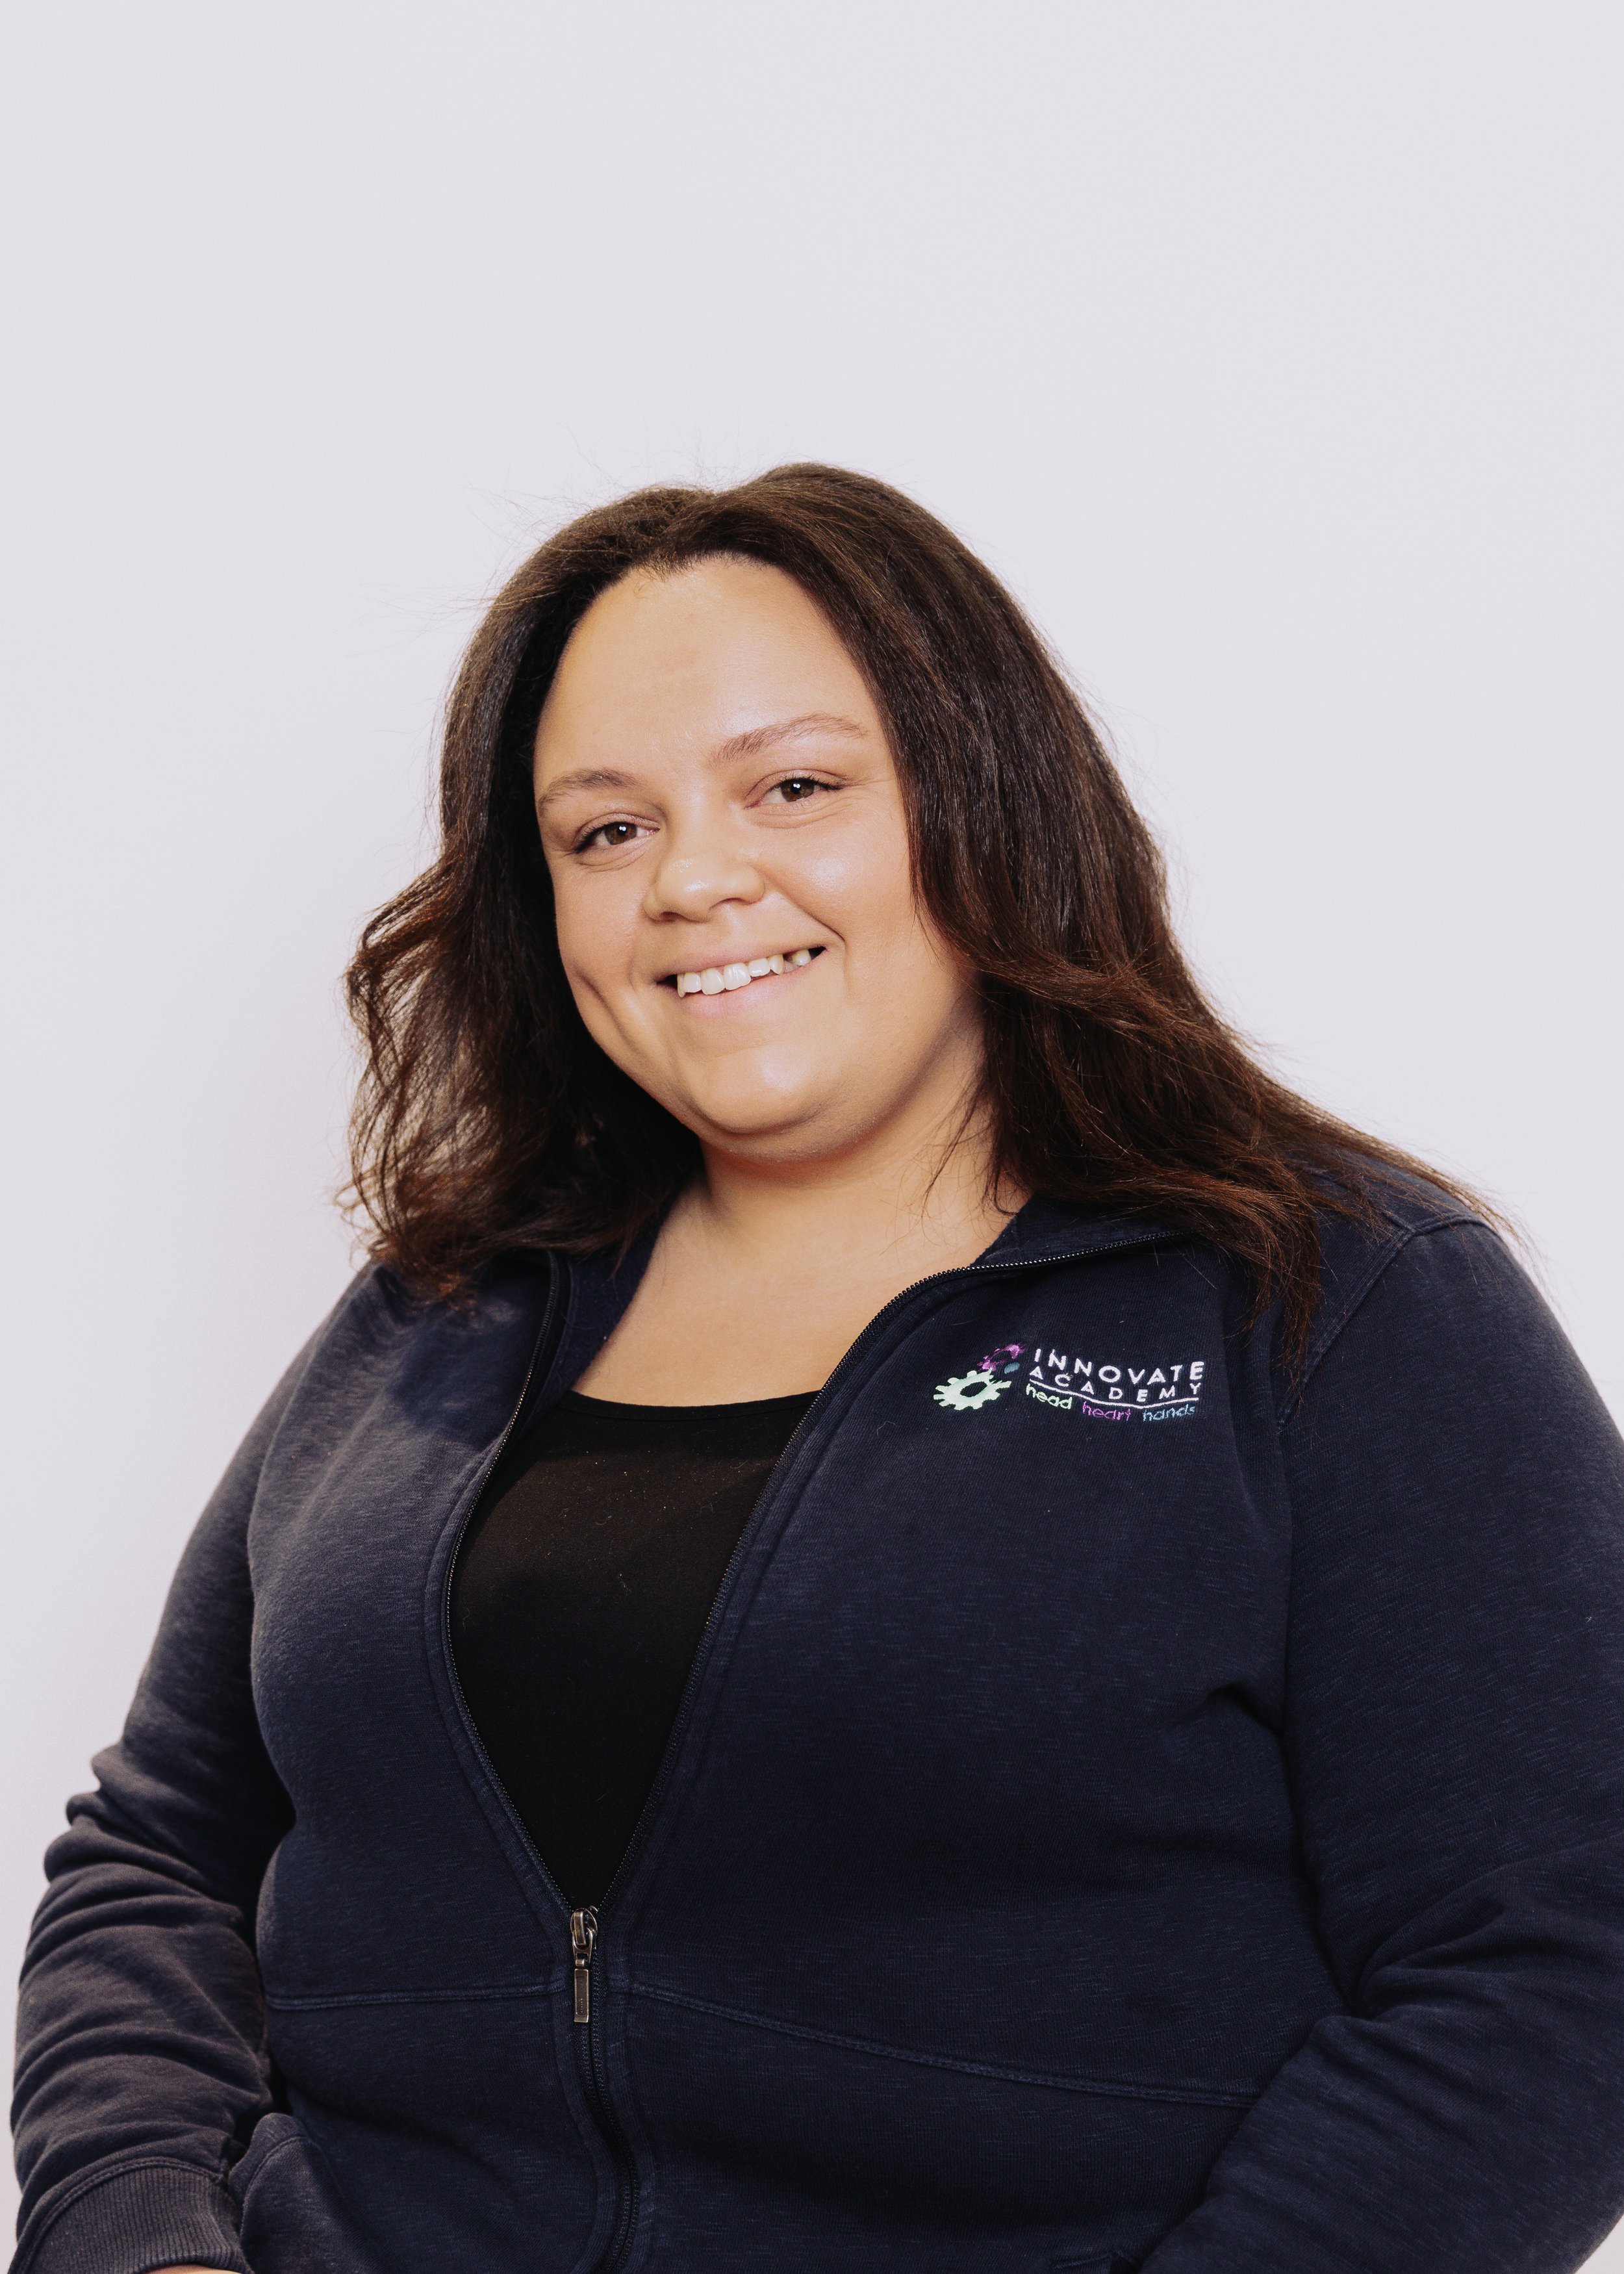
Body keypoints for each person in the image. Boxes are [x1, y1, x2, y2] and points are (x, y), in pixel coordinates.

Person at [12, 465, 1624, 2274]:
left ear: (981, 799)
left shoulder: (1327, 1297)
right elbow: (162, 1848)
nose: (697, 880)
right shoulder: (449, 1302)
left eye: (793, 787)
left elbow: (1551, 1961)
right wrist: (138, 2239)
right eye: (603, 831)